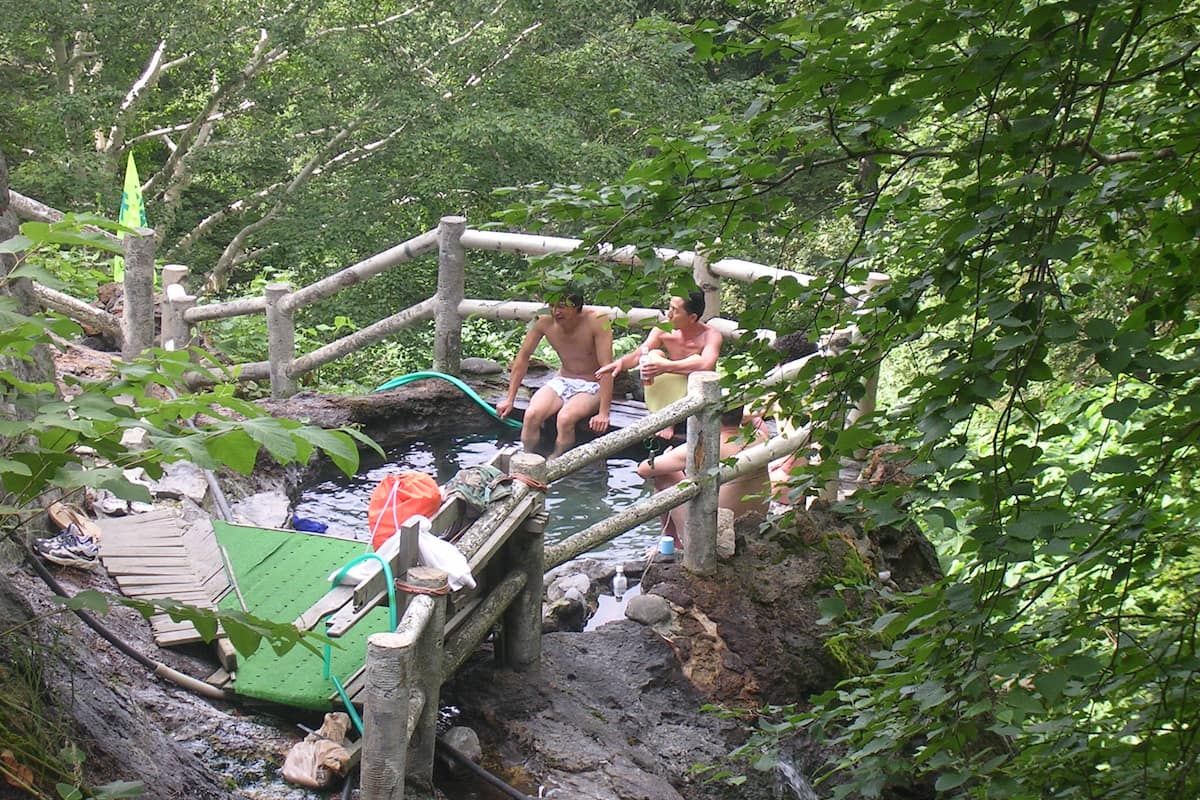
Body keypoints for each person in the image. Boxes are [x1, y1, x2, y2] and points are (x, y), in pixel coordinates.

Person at [636, 405, 770, 551]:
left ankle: (671, 542)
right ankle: (672, 541)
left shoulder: (707, 445)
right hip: (755, 524)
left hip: (714, 535)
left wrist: (667, 456)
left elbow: (644, 469)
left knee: (663, 474)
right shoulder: (760, 437)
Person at [496, 292, 614, 457]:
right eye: (552, 306)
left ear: (576, 307)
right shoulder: (544, 321)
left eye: (562, 307)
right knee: (531, 415)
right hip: (563, 379)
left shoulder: (597, 320)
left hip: (593, 384)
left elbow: (607, 367)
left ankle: (556, 461)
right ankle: (526, 458)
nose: (556, 312)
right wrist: (510, 399)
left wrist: (603, 413)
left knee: (565, 418)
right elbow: (522, 358)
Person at [595, 290, 723, 439]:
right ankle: (660, 413)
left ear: (692, 317)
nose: (669, 314)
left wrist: (665, 366)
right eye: (669, 308)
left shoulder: (710, 336)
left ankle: (669, 420)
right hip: (662, 392)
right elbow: (640, 353)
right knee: (654, 354)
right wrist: (620, 363)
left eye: (675, 311)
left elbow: (706, 364)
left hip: (693, 393)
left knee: (694, 362)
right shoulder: (663, 329)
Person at [765, 331, 819, 503]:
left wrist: (780, 467)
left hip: (800, 472)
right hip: (796, 462)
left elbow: (801, 444)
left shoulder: (796, 396)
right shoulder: (816, 383)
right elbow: (752, 412)